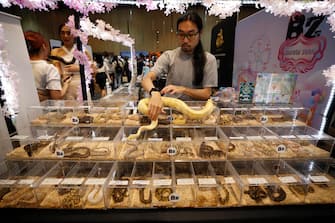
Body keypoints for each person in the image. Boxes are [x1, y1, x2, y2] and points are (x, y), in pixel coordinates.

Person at [141, 11, 218, 120]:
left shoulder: (209, 60)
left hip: (196, 114)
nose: (185, 40)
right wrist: (154, 93)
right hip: (170, 114)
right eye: (181, 34)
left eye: (190, 34)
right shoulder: (169, 56)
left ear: (200, 33)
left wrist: (182, 89)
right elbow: (146, 79)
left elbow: (206, 93)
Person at [49, 23, 93, 100]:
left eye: (69, 33)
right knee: (68, 110)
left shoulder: (82, 50)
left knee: (84, 110)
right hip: (65, 87)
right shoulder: (55, 52)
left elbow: (93, 69)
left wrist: (79, 68)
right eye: (62, 33)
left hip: (81, 87)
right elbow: (56, 69)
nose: (65, 36)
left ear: (74, 34)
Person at [24, 31, 71, 102]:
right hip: (43, 110)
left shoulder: (21, 66)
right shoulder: (49, 68)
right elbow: (56, 97)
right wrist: (66, 84)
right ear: (43, 46)